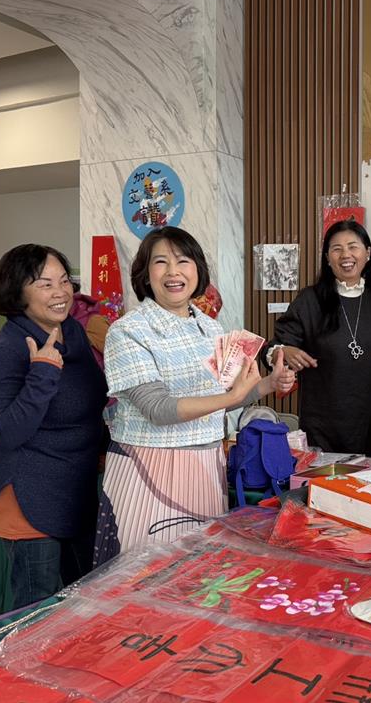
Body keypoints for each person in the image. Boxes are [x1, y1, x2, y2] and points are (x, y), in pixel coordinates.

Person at [95, 227, 293, 562]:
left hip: (206, 467)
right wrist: (230, 398)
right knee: (143, 573)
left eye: (183, 261)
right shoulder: (128, 330)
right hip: (148, 468)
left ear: (197, 269)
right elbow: (157, 408)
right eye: (161, 262)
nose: (173, 272)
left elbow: (219, 400)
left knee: (198, 572)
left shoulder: (210, 327)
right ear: (145, 273)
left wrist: (267, 385)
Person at [0, 244, 108, 608]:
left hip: (76, 489)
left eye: (64, 281)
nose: (60, 292)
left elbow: (88, 403)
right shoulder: (7, 349)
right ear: (17, 292)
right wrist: (43, 373)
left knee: (81, 603)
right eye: (45, 284)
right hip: (29, 495)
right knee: (38, 611)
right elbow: (7, 432)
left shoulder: (72, 331)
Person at [265, 220, 371, 457]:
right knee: (322, 479)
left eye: (353, 247)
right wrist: (285, 351)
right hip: (320, 422)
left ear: (367, 253)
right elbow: (274, 346)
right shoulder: (310, 299)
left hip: (365, 419)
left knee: (364, 478)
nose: (346, 255)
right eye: (336, 249)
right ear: (327, 258)